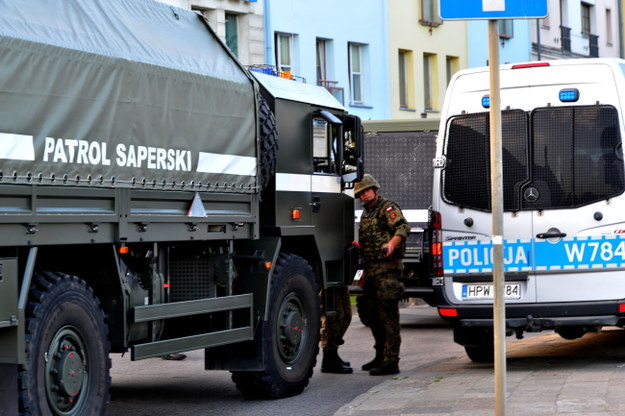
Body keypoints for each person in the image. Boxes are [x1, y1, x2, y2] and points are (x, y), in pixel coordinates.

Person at [354, 174, 410, 376]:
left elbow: (403, 227)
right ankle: (380, 354)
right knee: (370, 314)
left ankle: (391, 360)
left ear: (375, 190)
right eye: (360, 194)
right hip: (370, 271)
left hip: (387, 271)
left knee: (388, 316)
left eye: (366, 191)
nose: (363, 196)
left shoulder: (387, 208)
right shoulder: (366, 213)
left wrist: (391, 244)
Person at [320, 286, 353, 374]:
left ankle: (333, 355)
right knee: (333, 318)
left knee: (345, 315)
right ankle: (329, 358)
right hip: (328, 281)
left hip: (339, 279)